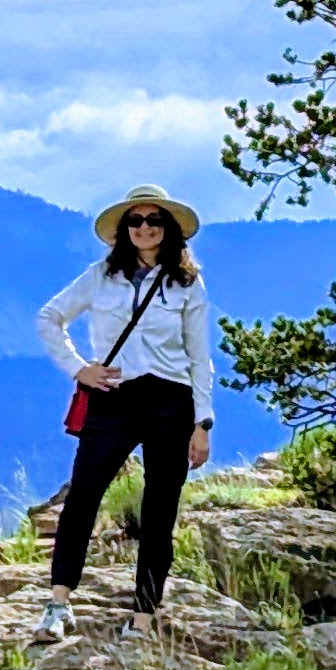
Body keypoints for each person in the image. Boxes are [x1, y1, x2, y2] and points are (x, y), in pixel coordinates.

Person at [35, 184, 215, 636]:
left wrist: (203, 421)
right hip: (113, 396)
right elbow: (49, 318)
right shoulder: (100, 276)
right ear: (123, 229)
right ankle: (58, 605)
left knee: (160, 510)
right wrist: (80, 369)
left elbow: (199, 355)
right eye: (135, 221)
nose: (144, 229)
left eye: (154, 221)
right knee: (82, 499)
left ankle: (144, 614)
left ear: (169, 229)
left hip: (171, 402)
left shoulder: (187, 283)